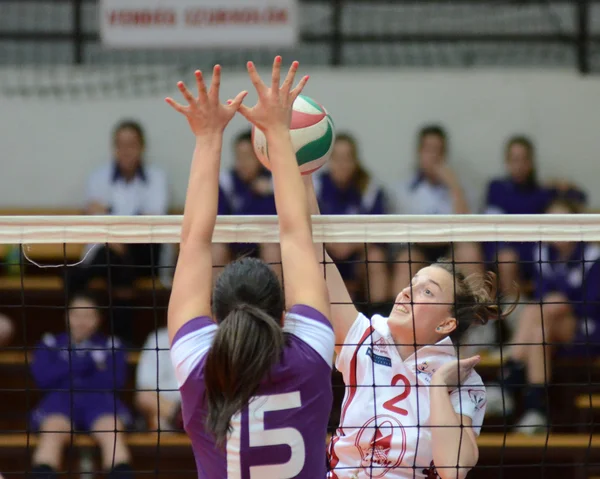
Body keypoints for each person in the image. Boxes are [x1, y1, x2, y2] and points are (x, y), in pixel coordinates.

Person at [166, 57, 334, 477]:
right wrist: (278, 130)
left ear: (217, 320)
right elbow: (296, 234)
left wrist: (207, 139)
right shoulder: (310, 355)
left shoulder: (199, 365)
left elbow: (193, 242)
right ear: (282, 315)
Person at [303, 177, 507, 479]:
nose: (407, 292)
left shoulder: (461, 379)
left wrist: (438, 386)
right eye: (412, 283)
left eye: (427, 291)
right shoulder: (364, 336)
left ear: (446, 323)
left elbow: (454, 469)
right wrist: (303, 175)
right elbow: (313, 254)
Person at [486, 197, 600, 434]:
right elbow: (541, 295)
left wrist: (562, 303)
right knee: (539, 327)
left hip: (586, 330)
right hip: (547, 329)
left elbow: (591, 306)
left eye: (564, 221)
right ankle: (536, 410)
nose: (558, 227)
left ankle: (507, 382)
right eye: (552, 221)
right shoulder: (543, 254)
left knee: (540, 310)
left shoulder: (593, 256)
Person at [67, 120, 171, 342]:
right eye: (120, 144)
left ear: (142, 147)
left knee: (108, 263)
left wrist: (111, 217)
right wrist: (118, 229)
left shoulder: (156, 178)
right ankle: (120, 340)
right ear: (113, 148)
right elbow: (95, 220)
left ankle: (118, 338)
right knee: (117, 263)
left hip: (145, 253)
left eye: (131, 144)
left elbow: (152, 220)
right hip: (109, 252)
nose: (126, 150)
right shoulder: (98, 177)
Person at [29, 292, 132, 479]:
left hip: (100, 402)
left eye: (88, 315)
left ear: (98, 318)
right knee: (52, 432)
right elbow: (44, 379)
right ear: (66, 316)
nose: (81, 321)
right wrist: (89, 362)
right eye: (76, 315)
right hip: (60, 402)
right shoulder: (49, 343)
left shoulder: (112, 345)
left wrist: (67, 366)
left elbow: (114, 381)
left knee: (112, 431)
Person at [484, 135, 587, 296]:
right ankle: (514, 315)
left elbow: (579, 197)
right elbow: (490, 222)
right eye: (514, 159)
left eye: (523, 159)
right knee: (506, 258)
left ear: (531, 162)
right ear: (507, 161)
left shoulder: (541, 192)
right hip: (505, 250)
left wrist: (558, 183)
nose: (519, 165)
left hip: (534, 252)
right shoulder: (496, 188)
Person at [391, 125, 483, 296]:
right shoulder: (404, 189)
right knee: (405, 261)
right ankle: (396, 319)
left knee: (469, 251)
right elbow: (406, 231)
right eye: (428, 150)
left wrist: (453, 185)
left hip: (450, 246)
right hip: (418, 247)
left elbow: (467, 225)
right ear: (419, 152)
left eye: (438, 150)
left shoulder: (458, 186)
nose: (433, 156)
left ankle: (479, 315)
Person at [314, 133, 390, 309]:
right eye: (337, 158)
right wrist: (331, 244)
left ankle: (377, 318)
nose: (342, 164)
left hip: (358, 255)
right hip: (325, 252)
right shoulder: (316, 186)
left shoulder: (369, 188)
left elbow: (379, 231)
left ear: (355, 161)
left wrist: (351, 245)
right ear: (329, 160)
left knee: (376, 257)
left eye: (347, 158)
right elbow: (305, 224)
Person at [212, 129, 281, 279]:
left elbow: (278, 222)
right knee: (216, 248)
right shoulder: (226, 182)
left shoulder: (275, 181)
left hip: (264, 243)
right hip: (234, 243)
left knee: (272, 248)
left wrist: (269, 191)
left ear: (259, 157)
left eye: (248, 157)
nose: (243, 163)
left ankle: (278, 300)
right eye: (239, 157)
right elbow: (218, 221)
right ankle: (214, 300)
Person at [135, 325, 182, 432]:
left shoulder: (212, 336)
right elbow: (144, 394)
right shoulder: (160, 338)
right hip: (169, 411)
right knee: (156, 418)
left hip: (206, 411)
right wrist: (178, 415)